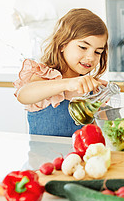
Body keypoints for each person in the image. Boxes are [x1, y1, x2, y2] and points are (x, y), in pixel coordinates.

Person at [14, 8, 109, 137]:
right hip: (44, 157)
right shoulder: (44, 77)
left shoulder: (92, 89)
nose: (91, 57)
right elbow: (23, 95)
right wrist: (68, 83)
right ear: (62, 44)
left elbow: (107, 130)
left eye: (98, 52)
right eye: (83, 47)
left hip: (81, 157)